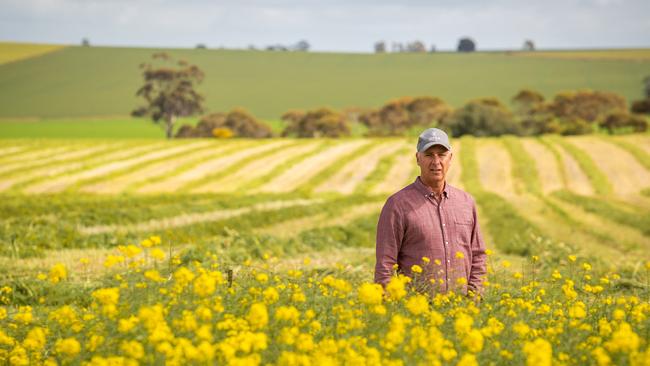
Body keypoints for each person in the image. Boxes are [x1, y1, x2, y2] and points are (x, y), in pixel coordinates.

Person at [374, 128, 487, 296]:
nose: (436, 162)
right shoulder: (397, 205)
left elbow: (478, 256)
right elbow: (386, 264)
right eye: (428, 155)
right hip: (415, 311)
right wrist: (390, 306)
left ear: (450, 158)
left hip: (462, 312)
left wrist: (473, 298)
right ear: (418, 158)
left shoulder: (466, 202)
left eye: (441, 155)